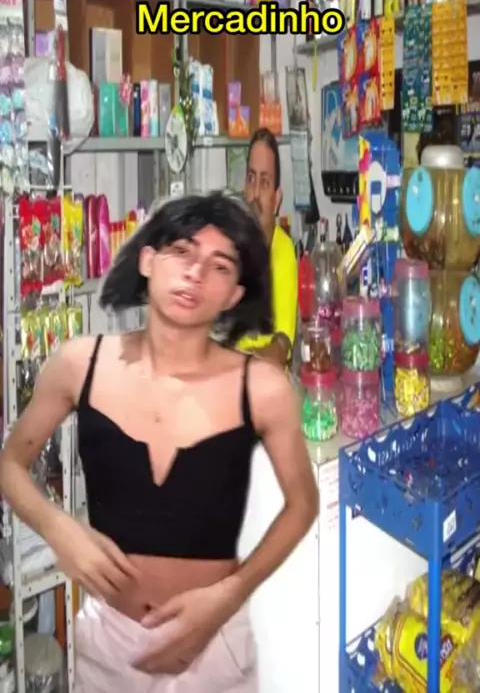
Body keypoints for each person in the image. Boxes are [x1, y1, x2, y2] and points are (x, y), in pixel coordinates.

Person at [0, 193, 318, 693]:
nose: (196, 273)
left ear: (233, 295)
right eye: (182, 251)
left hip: (214, 647)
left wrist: (232, 593)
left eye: (219, 266)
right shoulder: (79, 364)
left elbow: (303, 504)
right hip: (109, 647)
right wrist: (59, 528)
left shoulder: (261, 388)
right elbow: (10, 465)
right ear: (148, 259)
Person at [238, 128, 298, 367]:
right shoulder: (228, 246)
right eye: (251, 179)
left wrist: (231, 361)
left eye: (264, 182)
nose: (255, 194)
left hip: (265, 385)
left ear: (277, 199)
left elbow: (280, 349)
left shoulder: (283, 252)